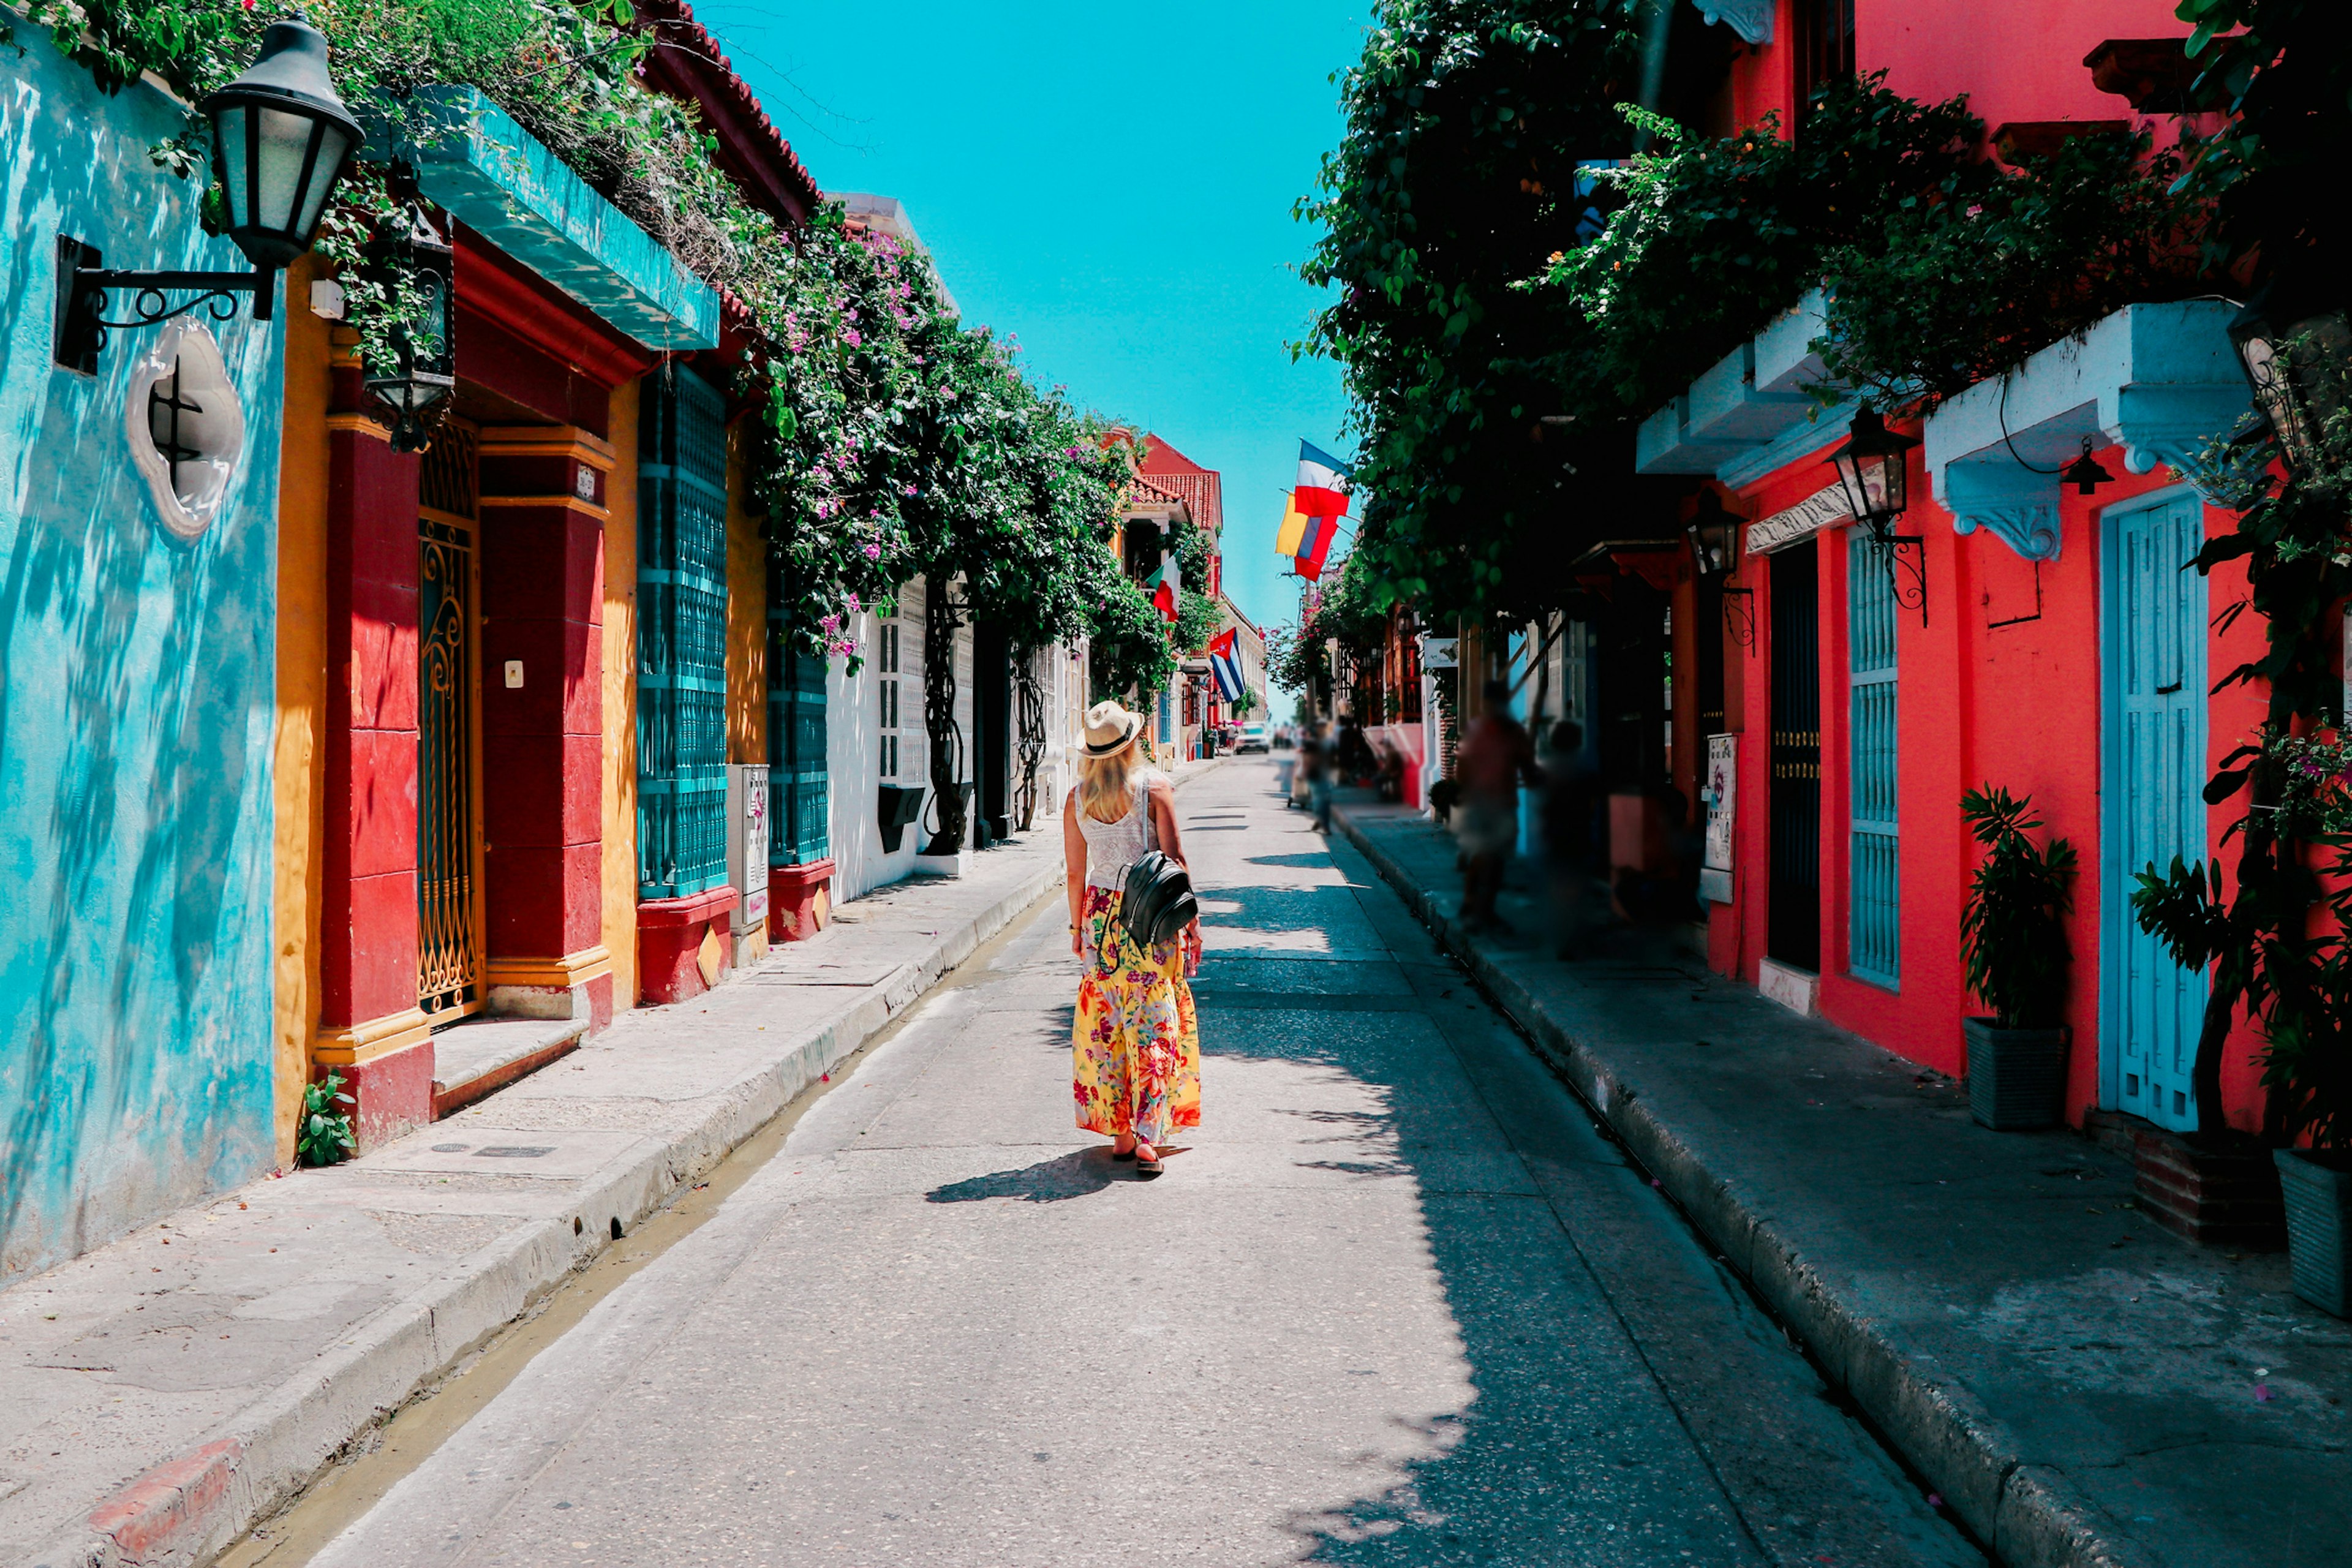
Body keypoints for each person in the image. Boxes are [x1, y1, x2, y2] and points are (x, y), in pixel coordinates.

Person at [1062, 701, 1202, 1178]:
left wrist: (1078, 932)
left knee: (1109, 1025)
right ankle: (1147, 1137)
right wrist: (1193, 926)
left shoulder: (1077, 798)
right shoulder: (1155, 789)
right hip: (1150, 919)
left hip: (1101, 919)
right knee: (1154, 1024)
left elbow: (1076, 873)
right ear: (1133, 743)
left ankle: (1122, 1134)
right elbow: (1175, 861)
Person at [1453, 678, 1536, 930]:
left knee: (1490, 856)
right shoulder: (1496, 731)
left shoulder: (1498, 731)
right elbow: (1463, 767)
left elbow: (1462, 768)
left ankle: (1480, 907)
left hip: (1494, 802)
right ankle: (1476, 906)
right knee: (1487, 856)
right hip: (1488, 803)